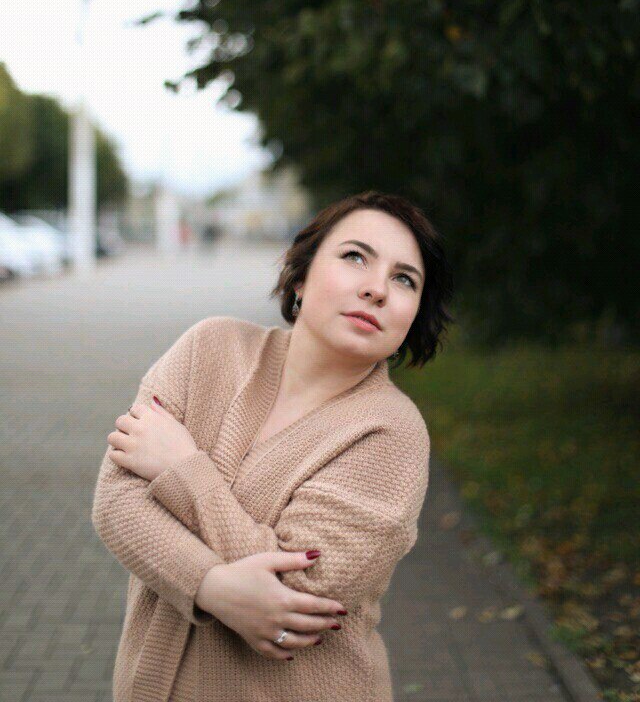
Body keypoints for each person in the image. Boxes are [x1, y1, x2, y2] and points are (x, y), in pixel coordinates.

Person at [92, 189, 454, 702]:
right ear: (301, 276)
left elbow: (299, 592)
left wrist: (181, 468)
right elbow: (117, 501)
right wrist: (212, 587)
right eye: (355, 257)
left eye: (404, 279)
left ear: (414, 314)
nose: (377, 289)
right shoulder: (209, 347)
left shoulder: (392, 433)